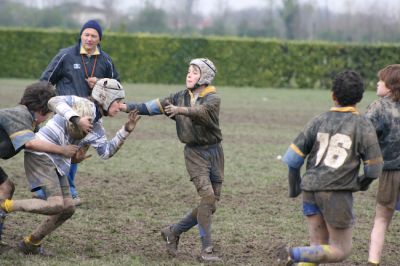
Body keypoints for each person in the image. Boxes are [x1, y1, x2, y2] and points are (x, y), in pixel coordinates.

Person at [0, 78, 140, 255]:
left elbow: (106, 153)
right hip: (42, 154)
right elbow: (54, 101)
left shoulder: (97, 127)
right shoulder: (80, 103)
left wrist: (125, 131)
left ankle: (30, 243)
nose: (121, 106)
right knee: (56, 204)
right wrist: (77, 119)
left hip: (58, 161)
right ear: (105, 98)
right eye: (118, 101)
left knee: (68, 208)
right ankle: (4, 205)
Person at [122, 58, 223, 262]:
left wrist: (180, 110)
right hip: (194, 154)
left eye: (194, 72)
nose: (189, 74)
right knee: (208, 199)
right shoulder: (179, 96)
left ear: (205, 76)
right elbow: (150, 107)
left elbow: (201, 112)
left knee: (210, 204)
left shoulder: (212, 98)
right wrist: (122, 106)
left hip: (215, 153)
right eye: (189, 71)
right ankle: (206, 251)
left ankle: (173, 231)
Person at [279, 70, 383, 265]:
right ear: (359, 98)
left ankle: (299, 256)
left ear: (333, 95)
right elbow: (374, 169)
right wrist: (363, 183)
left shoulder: (318, 120)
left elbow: (293, 160)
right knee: (340, 250)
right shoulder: (363, 124)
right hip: (337, 193)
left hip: (310, 189)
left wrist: (294, 188)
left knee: (318, 245)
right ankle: (293, 253)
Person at [40, 19, 120, 205]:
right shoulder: (66, 55)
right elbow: (46, 80)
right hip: (66, 113)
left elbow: (116, 86)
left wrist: (100, 82)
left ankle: (67, 188)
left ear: (99, 39)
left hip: (91, 115)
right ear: (81, 35)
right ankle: (60, 190)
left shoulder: (106, 61)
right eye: (87, 34)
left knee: (76, 153)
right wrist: (44, 104)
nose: (89, 39)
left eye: (94, 36)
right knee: (58, 150)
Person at [0, 81, 78, 243]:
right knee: (6, 187)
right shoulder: (20, 115)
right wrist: (62, 150)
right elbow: (30, 143)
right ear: (42, 109)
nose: (50, 116)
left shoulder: (31, 122)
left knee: (6, 187)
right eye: (50, 112)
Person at [366, 64, 400, 266]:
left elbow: (364, 136)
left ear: (389, 86)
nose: (377, 83)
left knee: (381, 219)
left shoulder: (378, 107)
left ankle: (373, 261)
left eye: (381, 80)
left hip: (390, 173)